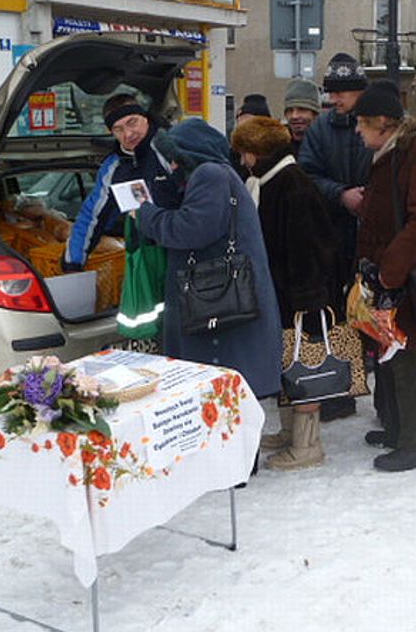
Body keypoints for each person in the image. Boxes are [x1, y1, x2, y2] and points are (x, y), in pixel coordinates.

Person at [137, 118, 283, 402]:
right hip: (224, 303)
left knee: (225, 404)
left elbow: (192, 230)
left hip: (220, 306)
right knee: (227, 404)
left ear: (191, 153)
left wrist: (146, 214)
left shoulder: (209, 174)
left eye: (176, 158)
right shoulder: (217, 174)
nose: (173, 166)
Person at [230, 116, 338, 470]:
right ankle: (290, 432)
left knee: (303, 364)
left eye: (245, 152)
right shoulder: (267, 182)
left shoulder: (292, 186)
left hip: (301, 297)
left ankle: (308, 445)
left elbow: (308, 248)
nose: (243, 160)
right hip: (282, 293)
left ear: (259, 152)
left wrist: (308, 301)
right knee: (285, 362)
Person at [353, 80, 416, 471]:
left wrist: (391, 271)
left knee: (407, 356)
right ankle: (397, 427)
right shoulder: (392, 151)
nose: (357, 130)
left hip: (405, 273)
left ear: (382, 122)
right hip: (387, 272)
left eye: (361, 123)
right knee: (388, 354)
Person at [297, 52, 374, 423]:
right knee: (337, 314)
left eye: (342, 92)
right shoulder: (321, 130)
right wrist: (341, 194)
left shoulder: (378, 123)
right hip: (332, 234)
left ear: (359, 92)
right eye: (331, 91)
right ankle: (342, 392)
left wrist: (369, 197)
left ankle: (389, 401)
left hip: (372, 234)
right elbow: (308, 175)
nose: (334, 98)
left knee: (372, 312)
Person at [63, 93, 178, 271]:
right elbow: (91, 216)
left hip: (183, 252)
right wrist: (73, 264)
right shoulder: (113, 168)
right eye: (118, 129)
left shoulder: (169, 148)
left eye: (132, 122)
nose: (128, 134)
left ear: (145, 118)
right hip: (145, 259)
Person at [282, 77, 322, 155]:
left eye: (302, 109)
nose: (294, 116)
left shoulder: (328, 145)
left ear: (315, 114)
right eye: (290, 110)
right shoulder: (276, 147)